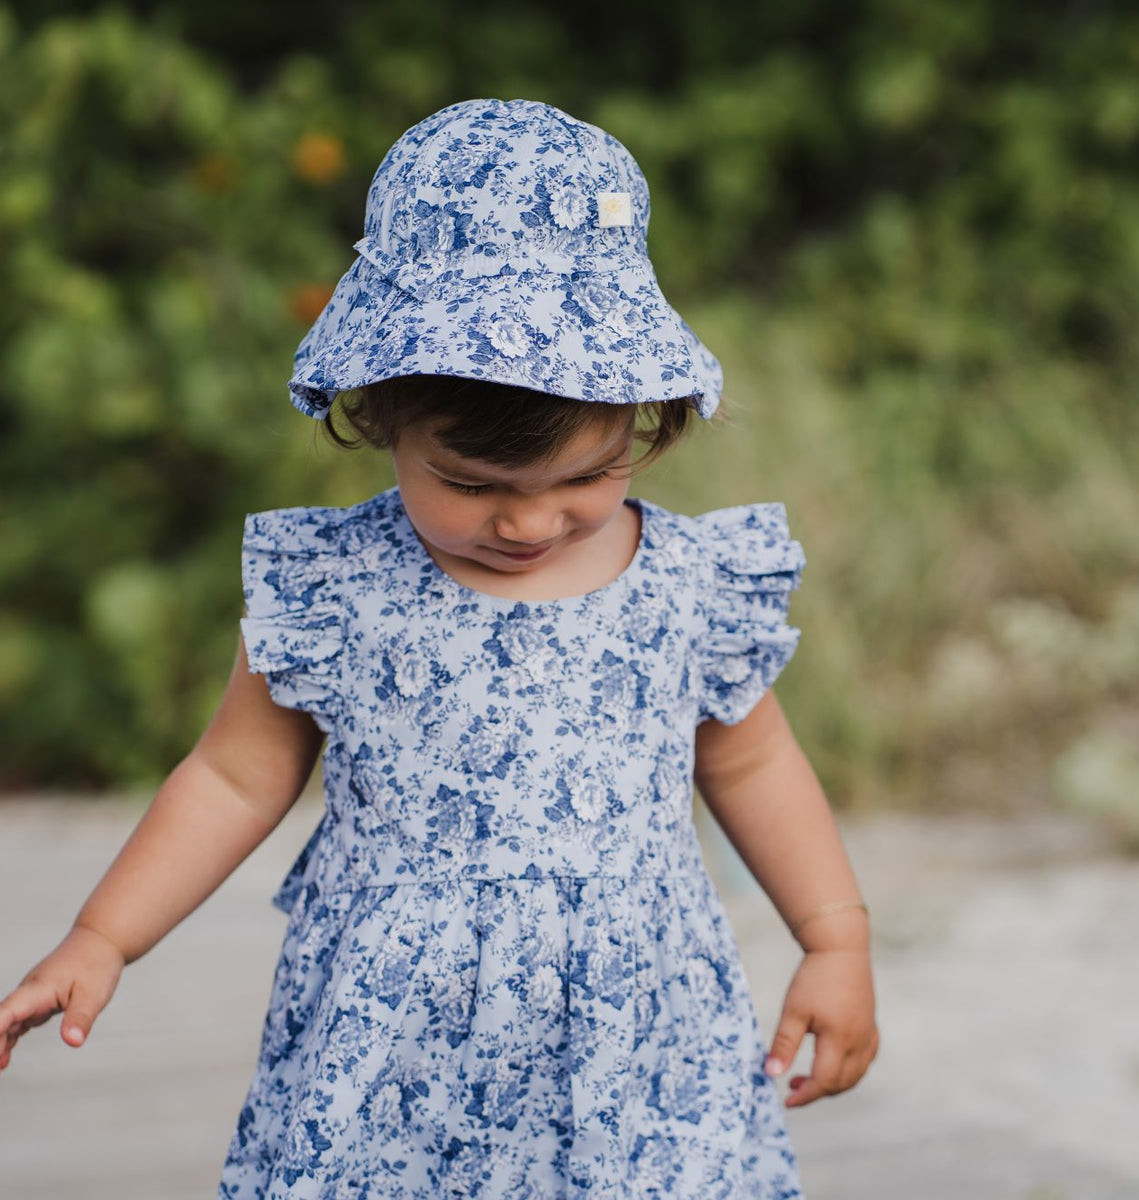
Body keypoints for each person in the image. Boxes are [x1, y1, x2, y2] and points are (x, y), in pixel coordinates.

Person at [0, 98, 878, 1196]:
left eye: (586, 480)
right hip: (394, 1046)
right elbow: (232, 777)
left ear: (644, 419)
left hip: (633, 1045)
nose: (527, 523)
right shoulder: (340, 585)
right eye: (470, 485)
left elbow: (751, 762)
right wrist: (102, 938)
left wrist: (834, 938)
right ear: (383, 418)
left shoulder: (692, 583)